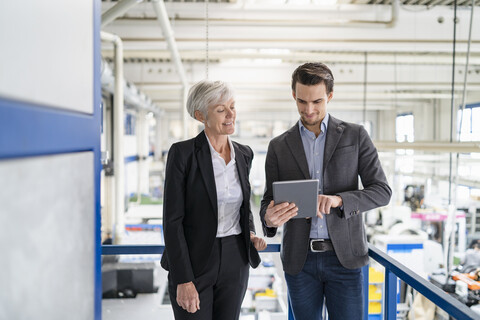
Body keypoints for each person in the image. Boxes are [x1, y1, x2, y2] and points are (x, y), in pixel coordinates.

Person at [260, 62, 392, 320]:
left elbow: (382, 191)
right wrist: (268, 217)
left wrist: (340, 200)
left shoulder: (355, 136)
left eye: (317, 101)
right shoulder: (279, 146)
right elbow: (268, 200)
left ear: (330, 96)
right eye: (302, 101)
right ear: (293, 96)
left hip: (345, 259)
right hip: (300, 261)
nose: (309, 110)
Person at [161, 80, 267, 320]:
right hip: (194, 260)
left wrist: (249, 233)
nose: (231, 114)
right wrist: (184, 279)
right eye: (221, 109)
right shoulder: (182, 154)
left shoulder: (244, 153)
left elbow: (243, 207)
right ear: (201, 116)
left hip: (235, 259)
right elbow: (172, 221)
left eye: (232, 106)